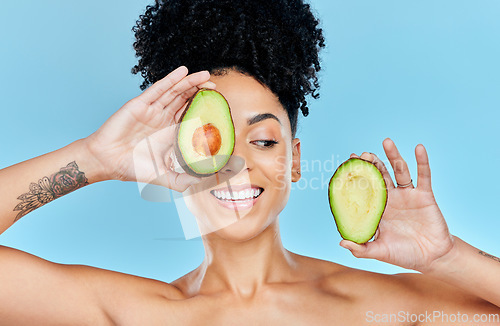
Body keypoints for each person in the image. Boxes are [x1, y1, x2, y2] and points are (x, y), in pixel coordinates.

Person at [0, 0, 499, 324]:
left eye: (262, 141)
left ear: (294, 161)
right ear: (174, 158)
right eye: (212, 140)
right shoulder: (133, 314)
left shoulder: (372, 309)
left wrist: (446, 258)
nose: (237, 163)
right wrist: (95, 158)